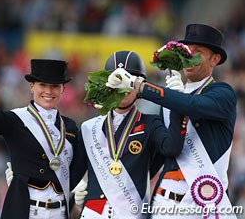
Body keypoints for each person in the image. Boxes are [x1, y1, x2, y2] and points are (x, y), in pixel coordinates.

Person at [106, 24, 237, 218]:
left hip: (203, 203)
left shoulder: (223, 93)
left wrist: (140, 86)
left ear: (215, 59)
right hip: (164, 203)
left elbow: (191, 105)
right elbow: (168, 149)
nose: (189, 58)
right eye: (186, 52)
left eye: (198, 52)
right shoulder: (169, 100)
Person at [0, 31, 83, 219]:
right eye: (43, 85)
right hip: (26, 211)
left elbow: (73, 174)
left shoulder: (71, 128)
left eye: (55, 86)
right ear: (32, 86)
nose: (49, 91)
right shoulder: (16, 120)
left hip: (60, 212)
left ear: (63, 89)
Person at [74, 50, 187, 219]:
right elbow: (74, 173)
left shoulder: (151, 124)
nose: (124, 88)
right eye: (118, 80)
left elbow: (172, 148)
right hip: (93, 213)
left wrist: (178, 103)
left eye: (130, 81)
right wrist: (77, 188)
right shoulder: (90, 127)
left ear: (139, 86)